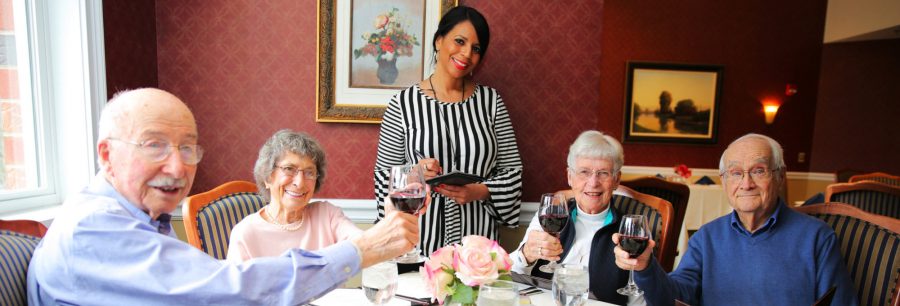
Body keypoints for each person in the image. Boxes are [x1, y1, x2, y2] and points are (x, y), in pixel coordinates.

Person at [27, 88, 421, 305]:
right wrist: (363, 250)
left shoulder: (138, 219)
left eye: (187, 148)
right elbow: (233, 290)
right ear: (107, 155)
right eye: (154, 145)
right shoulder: (94, 227)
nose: (179, 168)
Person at [613, 134, 858, 305]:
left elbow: (840, 303)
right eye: (736, 173)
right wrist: (645, 267)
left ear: (780, 176)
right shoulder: (706, 238)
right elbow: (674, 298)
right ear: (724, 181)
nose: (746, 183)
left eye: (759, 171)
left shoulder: (817, 237)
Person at [373, 5, 523, 255]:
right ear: (439, 41)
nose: (466, 54)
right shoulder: (402, 104)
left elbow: (513, 173)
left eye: (476, 49)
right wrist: (415, 174)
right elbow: (382, 178)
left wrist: (480, 191)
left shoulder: (491, 102)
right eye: (459, 41)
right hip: (417, 243)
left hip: (478, 245)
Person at [510, 130, 643, 305]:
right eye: (584, 172)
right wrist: (526, 254)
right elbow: (509, 273)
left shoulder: (628, 232)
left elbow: (639, 300)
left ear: (616, 180)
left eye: (603, 173)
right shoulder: (550, 217)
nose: (593, 182)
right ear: (569, 177)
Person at [226, 130, 363, 263]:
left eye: (309, 172)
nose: (300, 182)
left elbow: (364, 244)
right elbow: (236, 286)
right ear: (267, 177)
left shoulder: (327, 216)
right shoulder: (246, 233)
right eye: (289, 169)